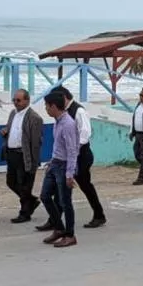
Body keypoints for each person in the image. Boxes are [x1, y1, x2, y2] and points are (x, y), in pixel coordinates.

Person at [50, 86, 106, 228]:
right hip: (66, 157)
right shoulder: (62, 113)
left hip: (81, 156)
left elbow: (85, 134)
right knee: (60, 187)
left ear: (63, 97)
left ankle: (99, 215)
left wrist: (73, 150)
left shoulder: (79, 111)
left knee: (85, 186)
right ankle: (54, 219)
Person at [36, 91, 79, 247]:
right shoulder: (57, 121)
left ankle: (70, 234)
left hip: (64, 166)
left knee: (65, 201)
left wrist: (69, 174)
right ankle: (59, 228)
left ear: (54, 106)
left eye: (47, 106)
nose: (46, 109)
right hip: (55, 163)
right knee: (45, 196)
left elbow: (72, 150)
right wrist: (52, 161)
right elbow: (58, 145)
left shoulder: (68, 124)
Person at [0, 88, 43, 223]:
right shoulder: (13, 113)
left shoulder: (34, 118)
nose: (16, 103)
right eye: (14, 100)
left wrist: (33, 162)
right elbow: (10, 128)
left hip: (24, 155)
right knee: (11, 182)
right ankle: (31, 201)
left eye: (18, 100)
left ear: (27, 100)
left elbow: (36, 143)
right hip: (12, 154)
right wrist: (5, 132)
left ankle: (24, 212)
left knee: (25, 184)